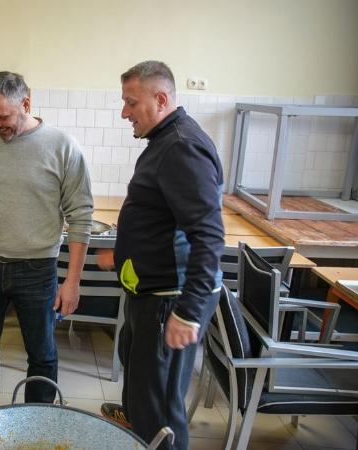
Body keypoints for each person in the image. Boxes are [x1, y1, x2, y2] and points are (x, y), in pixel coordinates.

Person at [98, 61, 224, 450]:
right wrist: (124, 255)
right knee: (140, 391)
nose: (124, 113)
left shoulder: (181, 147)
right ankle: (135, 425)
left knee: (162, 411)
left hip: (169, 303)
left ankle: (150, 432)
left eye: (131, 103)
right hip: (148, 294)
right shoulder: (164, 141)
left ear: (161, 99)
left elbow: (209, 236)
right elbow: (162, 216)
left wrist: (188, 312)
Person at [0, 71, 94, 409]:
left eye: (4, 116)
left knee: (42, 353)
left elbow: (81, 216)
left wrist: (73, 282)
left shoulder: (62, 146)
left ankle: (38, 421)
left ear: (26, 103)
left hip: (37, 270)